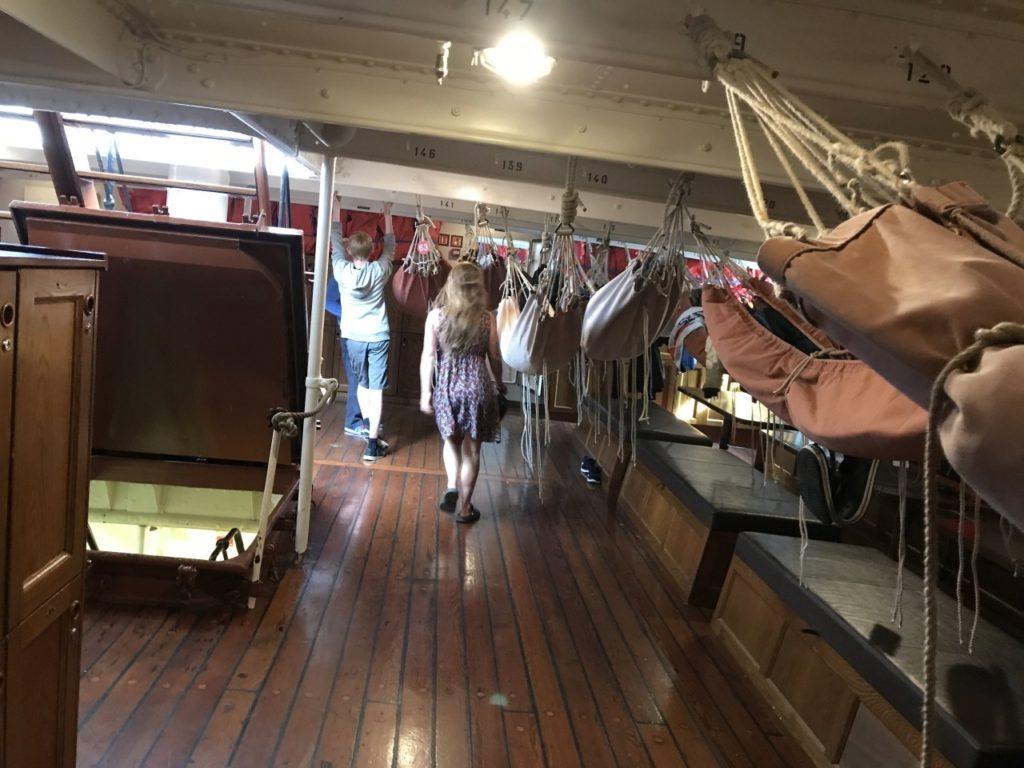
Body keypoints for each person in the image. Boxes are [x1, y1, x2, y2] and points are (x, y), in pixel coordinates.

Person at [419, 262, 502, 524]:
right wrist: (499, 383)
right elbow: (495, 357)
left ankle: (452, 485)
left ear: (451, 284)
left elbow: (428, 356)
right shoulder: (488, 318)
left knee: (451, 441)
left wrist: (425, 393)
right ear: (478, 287)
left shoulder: (436, 316)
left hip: (446, 387)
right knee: (473, 451)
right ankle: (466, 509)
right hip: (478, 387)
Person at [331, 196, 395, 462]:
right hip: (378, 336)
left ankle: (369, 428)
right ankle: (371, 443)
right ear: (371, 252)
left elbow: (334, 239)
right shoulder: (379, 270)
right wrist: (387, 214)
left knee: (362, 385)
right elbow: (390, 247)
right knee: (376, 389)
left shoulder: (341, 271)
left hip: (353, 337)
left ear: (350, 252)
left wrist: (336, 206)